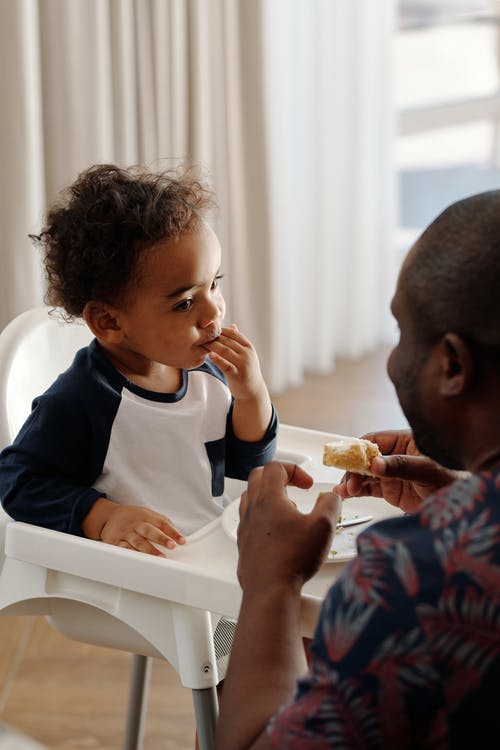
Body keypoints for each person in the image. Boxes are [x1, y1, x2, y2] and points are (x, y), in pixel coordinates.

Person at [215, 190, 500, 749]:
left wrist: (270, 585)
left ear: (452, 364)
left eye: (400, 332)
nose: (393, 360)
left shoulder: (412, 577)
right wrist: (463, 496)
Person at [0, 163, 277, 555]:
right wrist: (106, 518)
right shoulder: (82, 401)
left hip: (206, 554)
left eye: (214, 283)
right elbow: (18, 482)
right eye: (184, 302)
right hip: (136, 581)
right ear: (109, 321)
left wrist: (252, 396)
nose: (212, 312)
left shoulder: (206, 372)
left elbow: (245, 468)